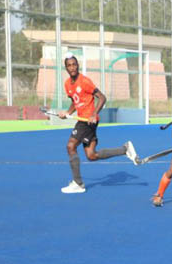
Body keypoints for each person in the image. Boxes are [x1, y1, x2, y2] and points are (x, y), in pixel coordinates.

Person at [57, 53, 138, 193]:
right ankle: (124, 149)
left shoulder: (85, 81)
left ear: (78, 65)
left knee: (70, 146)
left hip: (88, 121)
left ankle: (78, 183)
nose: (72, 67)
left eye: (74, 64)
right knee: (91, 155)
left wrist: (94, 114)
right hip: (82, 119)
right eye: (69, 65)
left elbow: (102, 98)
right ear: (66, 68)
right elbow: (75, 102)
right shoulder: (67, 84)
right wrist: (68, 113)